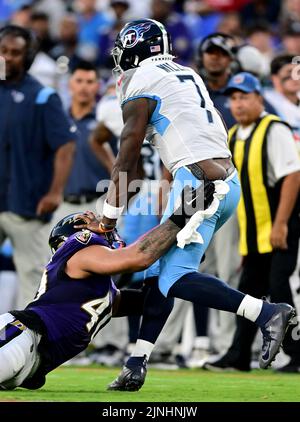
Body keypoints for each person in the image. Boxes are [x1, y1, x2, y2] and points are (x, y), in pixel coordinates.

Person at [95, 19, 295, 390]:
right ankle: (136, 363)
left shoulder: (140, 80)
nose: (120, 57)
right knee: (160, 275)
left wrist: (107, 220)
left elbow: (126, 157)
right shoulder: (185, 73)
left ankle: (266, 312)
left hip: (198, 182)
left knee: (172, 278)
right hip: (222, 180)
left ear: (138, 47)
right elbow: (213, 124)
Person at [0, 182, 215, 390]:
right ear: (77, 232)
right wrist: (179, 217)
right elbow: (138, 257)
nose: (103, 224)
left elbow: (153, 299)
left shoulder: (97, 292)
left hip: (32, 359)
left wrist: (180, 254)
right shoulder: (79, 249)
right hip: (23, 335)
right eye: (90, 221)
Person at [203, 72, 300, 372]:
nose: (238, 104)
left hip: (278, 225)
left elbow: (293, 175)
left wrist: (281, 223)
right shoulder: (233, 136)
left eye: (244, 97)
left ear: (260, 99)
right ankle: (239, 355)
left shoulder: (275, 129)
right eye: (234, 98)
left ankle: (297, 356)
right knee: (248, 292)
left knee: (278, 287)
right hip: (254, 230)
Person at [0, 25, 76, 308]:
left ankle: (25, 346)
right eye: (3, 51)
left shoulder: (43, 97)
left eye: (15, 53)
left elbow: (66, 146)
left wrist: (56, 192)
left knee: (32, 278)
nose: (7, 58)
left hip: (28, 203)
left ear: (28, 56)